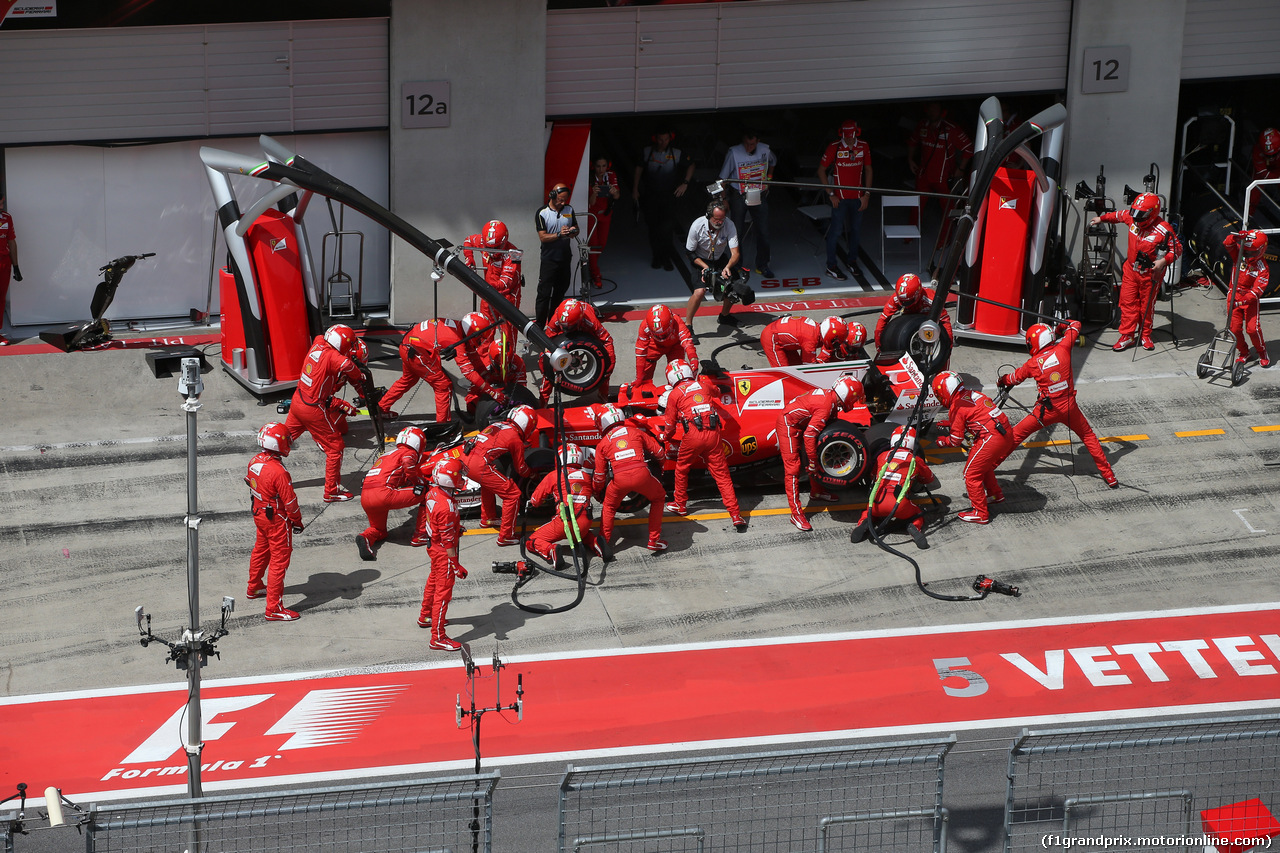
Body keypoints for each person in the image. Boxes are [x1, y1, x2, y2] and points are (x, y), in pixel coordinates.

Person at [999, 320, 1119, 488]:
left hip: (1045, 411)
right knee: (1089, 437)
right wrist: (1061, 328)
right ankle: (1109, 475)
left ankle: (988, 467)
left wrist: (1001, 380)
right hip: (1070, 408)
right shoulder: (1064, 347)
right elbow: (1076, 324)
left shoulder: (1032, 364)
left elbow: (1013, 378)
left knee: (1015, 436)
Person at [283, 324, 366, 502]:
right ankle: (331, 491)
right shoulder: (334, 357)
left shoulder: (319, 342)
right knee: (336, 449)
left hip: (298, 400)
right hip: (314, 408)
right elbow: (349, 367)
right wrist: (360, 376)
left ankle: (262, 466)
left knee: (283, 439)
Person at [660, 359, 746, 530]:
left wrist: (664, 437)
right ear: (688, 372)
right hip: (714, 433)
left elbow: (669, 424)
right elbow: (716, 391)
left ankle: (680, 503)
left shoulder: (674, 394)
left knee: (682, 468)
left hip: (693, 435)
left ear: (670, 378)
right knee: (722, 476)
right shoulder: (703, 385)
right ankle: (736, 515)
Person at [1089, 193, 1182, 352]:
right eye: (1135, 212)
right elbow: (1119, 215)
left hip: (1150, 275)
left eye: (1141, 214)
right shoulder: (1132, 217)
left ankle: (1145, 335)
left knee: (1146, 306)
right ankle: (1127, 335)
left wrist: (1163, 261)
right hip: (1131, 271)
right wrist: (1102, 219)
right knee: (1127, 304)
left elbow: (1177, 249)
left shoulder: (1164, 229)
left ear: (1152, 214)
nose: (1136, 218)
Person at [776, 376, 864, 531]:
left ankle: (816, 492)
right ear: (848, 395)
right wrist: (812, 462)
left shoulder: (830, 400)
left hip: (800, 422)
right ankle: (795, 514)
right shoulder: (826, 405)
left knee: (816, 451)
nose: (855, 401)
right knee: (793, 469)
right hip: (789, 425)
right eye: (855, 398)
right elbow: (809, 435)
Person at [931, 370, 1013, 524]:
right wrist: (952, 423)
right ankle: (995, 494)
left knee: (971, 474)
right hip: (1006, 433)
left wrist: (943, 441)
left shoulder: (957, 406)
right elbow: (975, 414)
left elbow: (955, 440)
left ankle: (980, 513)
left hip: (991, 438)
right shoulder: (972, 394)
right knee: (984, 465)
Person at [379, 313, 490, 422]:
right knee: (443, 386)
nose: (480, 339)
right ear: (472, 332)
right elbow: (468, 372)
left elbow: (473, 356)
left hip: (407, 345)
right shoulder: (455, 338)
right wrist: (492, 391)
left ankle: (382, 407)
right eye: (479, 336)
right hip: (417, 352)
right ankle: (443, 426)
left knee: (408, 380)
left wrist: (487, 373)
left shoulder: (457, 326)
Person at [245, 423, 304, 622]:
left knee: (261, 550)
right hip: (277, 519)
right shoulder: (278, 471)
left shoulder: (255, 460)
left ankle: (253, 586)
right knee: (279, 561)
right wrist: (297, 521)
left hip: (259, 514)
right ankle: (274, 608)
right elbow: (290, 501)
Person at [591, 404, 668, 551]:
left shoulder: (602, 443)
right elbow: (659, 452)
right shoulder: (635, 432)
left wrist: (597, 492)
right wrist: (661, 469)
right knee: (658, 498)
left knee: (609, 506)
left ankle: (603, 542)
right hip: (643, 475)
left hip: (619, 480)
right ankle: (654, 539)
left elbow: (599, 476)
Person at [850, 425, 937, 549]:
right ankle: (913, 526)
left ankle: (864, 523)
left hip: (877, 499)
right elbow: (929, 479)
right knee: (917, 512)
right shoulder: (915, 460)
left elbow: (872, 475)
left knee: (870, 512)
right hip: (899, 503)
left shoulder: (882, 456)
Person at [464, 404, 537, 546]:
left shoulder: (499, 424)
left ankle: (488, 518)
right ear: (526, 425)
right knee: (512, 494)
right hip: (479, 464)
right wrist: (533, 475)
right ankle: (506, 536)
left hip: (467, 458)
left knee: (488, 483)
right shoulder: (515, 438)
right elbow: (521, 468)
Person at [525, 443, 608, 564]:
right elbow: (596, 492)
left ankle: (551, 550)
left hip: (564, 522)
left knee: (531, 540)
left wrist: (532, 503)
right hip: (585, 522)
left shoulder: (554, 475)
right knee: (581, 535)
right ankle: (596, 542)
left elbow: (536, 501)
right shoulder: (586, 476)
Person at [356, 427, 430, 561]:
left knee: (379, 531)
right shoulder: (409, 452)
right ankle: (421, 535)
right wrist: (418, 481)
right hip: (383, 494)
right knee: (427, 491)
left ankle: (365, 537)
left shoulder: (387, 454)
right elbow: (408, 464)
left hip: (365, 496)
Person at [418, 456, 469, 650]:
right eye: (458, 475)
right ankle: (438, 636)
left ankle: (426, 615)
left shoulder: (433, 493)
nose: (462, 478)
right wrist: (456, 565)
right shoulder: (446, 507)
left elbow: (438, 524)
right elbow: (448, 540)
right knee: (443, 593)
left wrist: (455, 528)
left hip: (434, 546)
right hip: (444, 553)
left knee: (433, 581)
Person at [817, 120, 873, 281]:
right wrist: (830, 194)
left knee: (855, 231)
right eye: (846, 137)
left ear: (857, 133)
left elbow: (869, 169)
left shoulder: (863, 146)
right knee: (835, 232)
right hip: (839, 200)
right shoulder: (834, 146)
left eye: (852, 136)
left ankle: (852, 261)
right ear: (842, 134)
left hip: (858, 199)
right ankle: (831, 266)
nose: (849, 140)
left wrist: (867, 194)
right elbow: (821, 170)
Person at [633, 129, 694, 271]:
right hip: (650, 195)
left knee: (667, 229)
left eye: (666, 139)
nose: (663, 142)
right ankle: (656, 256)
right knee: (653, 228)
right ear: (655, 138)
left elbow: (691, 165)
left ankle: (666, 258)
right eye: (660, 139)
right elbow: (638, 169)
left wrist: (685, 183)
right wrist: (635, 189)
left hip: (670, 196)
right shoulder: (647, 151)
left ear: (670, 139)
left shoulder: (677, 153)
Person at [719, 129, 777, 277]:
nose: (748, 147)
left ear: (757, 142)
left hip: (759, 194)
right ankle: (737, 265)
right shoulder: (733, 153)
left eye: (751, 144)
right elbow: (722, 179)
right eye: (746, 143)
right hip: (739, 195)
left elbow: (773, 162)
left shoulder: (765, 149)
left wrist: (769, 179)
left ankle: (762, 265)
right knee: (736, 232)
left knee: (763, 231)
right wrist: (724, 199)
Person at [539, 297, 616, 404]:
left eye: (568, 327)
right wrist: (542, 360)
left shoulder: (590, 320)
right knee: (548, 372)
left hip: (586, 330)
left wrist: (611, 363)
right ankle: (543, 402)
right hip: (565, 335)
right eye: (563, 326)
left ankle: (603, 395)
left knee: (604, 367)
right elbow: (546, 342)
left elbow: (607, 340)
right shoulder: (556, 319)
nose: (566, 329)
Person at [907, 101, 973, 221]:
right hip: (924, 175)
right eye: (930, 108)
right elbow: (912, 141)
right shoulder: (923, 125)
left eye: (935, 109)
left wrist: (961, 168)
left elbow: (969, 148)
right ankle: (909, 237)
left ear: (943, 112)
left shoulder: (951, 129)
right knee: (916, 205)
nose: (932, 112)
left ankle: (946, 239)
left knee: (948, 209)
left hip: (944, 177)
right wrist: (910, 159)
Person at [682, 198, 741, 330]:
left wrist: (727, 267)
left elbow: (735, 253)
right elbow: (689, 253)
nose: (720, 222)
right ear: (709, 216)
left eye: (722, 219)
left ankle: (724, 316)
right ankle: (688, 324)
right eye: (716, 220)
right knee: (699, 292)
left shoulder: (729, 225)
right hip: (700, 260)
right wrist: (705, 267)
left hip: (719, 259)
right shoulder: (697, 226)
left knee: (733, 285)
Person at [462, 219, 523, 341]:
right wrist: (469, 258)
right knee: (484, 329)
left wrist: (481, 285)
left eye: (495, 248)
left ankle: (508, 359)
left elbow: (505, 282)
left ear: (504, 241)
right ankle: (485, 359)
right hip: (488, 293)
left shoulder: (514, 254)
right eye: (487, 247)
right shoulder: (483, 241)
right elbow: (468, 241)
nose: (490, 251)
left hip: (508, 296)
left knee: (508, 333)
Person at [534, 182, 579, 330]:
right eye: (560, 199)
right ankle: (540, 325)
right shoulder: (542, 213)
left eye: (565, 199)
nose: (562, 202)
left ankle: (554, 323)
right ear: (552, 196)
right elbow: (543, 237)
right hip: (549, 260)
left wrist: (572, 231)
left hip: (565, 258)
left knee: (560, 292)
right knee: (544, 294)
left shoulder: (569, 209)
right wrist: (559, 234)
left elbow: (577, 228)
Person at [1223, 229, 1271, 368]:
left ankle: (1262, 353)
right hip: (1234, 295)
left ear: (1261, 250)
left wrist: (1241, 301)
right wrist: (1236, 237)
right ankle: (1244, 352)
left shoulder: (1263, 269)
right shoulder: (1239, 254)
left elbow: (1256, 292)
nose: (1248, 254)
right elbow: (1227, 243)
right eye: (1246, 251)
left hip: (1249, 300)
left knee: (1252, 329)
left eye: (1251, 252)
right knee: (1234, 329)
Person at [873, 273, 954, 350]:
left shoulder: (931, 299)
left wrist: (949, 343)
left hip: (928, 328)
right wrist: (878, 339)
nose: (905, 304)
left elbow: (944, 320)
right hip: (908, 327)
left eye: (908, 301)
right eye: (903, 301)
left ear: (918, 293)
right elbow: (883, 318)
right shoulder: (895, 299)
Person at [463, 330, 527, 419]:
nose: (504, 366)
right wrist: (492, 393)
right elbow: (474, 389)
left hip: (508, 388)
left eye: (507, 363)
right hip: (489, 389)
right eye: (499, 362)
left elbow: (521, 387)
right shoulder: (483, 365)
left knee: (524, 402)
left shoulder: (518, 363)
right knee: (472, 406)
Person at [634, 303, 698, 385]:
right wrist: (639, 377)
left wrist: (693, 360)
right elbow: (640, 352)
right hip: (654, 346)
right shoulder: (644, 327)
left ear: (671, 323)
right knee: (644, 373)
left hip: (675, 346)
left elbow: (688, 343)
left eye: (663, 334)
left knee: (678, 373)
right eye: (658, 335)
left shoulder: (678, 323)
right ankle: (645, 387)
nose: (661, 338)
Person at [586, 157, 621, 288]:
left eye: (604, 166)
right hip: (592, 215)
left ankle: (592, 267)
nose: (601, 169)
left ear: (608, 166)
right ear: (593, 166)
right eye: (598, 166)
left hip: (606, 214)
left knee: (602, 244)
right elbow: (591, 202)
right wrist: (594, 193)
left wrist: (614, 191)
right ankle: (596, 273)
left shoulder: (611, 176)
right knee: (593, 245)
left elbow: (618, 196)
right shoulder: (589, 178)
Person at [760, 315, 847, 366]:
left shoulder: (816, 329)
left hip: (780, 337)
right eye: (837, 342)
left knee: (796, 367)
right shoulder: (810, 339)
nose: (837, 345)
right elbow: (809, 368)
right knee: (785, 374)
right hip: (771, 338)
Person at [0, 193, 20, 346]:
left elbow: (12, 242)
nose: (2, 206)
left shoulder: (6, 217)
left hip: (3, 264)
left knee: (0, 299)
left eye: (2, 203)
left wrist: (16, 267)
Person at [1250, 128, 1280, 213]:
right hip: (1262, 170)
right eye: (1268, 155)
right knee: (1254, 189)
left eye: (1273, 155)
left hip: (1278, 168)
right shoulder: (1257, 149)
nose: (1271, 158)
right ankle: (1248, 216)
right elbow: (1262, 172)